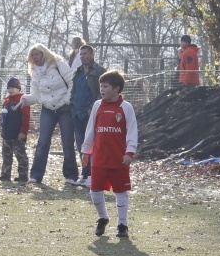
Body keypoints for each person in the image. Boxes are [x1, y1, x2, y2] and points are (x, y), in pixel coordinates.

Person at [81, 69, 138, 238]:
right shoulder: (98, 105)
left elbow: (132, 131)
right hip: (99, 157)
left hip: (119, 159)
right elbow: (91, 130)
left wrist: (130, 152)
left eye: (105, 86)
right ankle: (103, 218)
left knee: (121, 192)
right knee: (95, 190)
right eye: (101, 85)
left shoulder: (126, 108)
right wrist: (86, 150)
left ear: (116, 88)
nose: (102, 89)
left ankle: (122, 224)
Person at [20, 44, 78, 185]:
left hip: (64, 107)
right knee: (43, 141)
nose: (36, 57)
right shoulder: (34, 73)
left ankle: (71, 175)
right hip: (47, 109)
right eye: (33, 55)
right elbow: (35, 95)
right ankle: (36, 175)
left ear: (44, 54)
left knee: (67, 141)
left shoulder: (58, 65)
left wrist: (67, 100)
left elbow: (72, 82)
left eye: (38, 54)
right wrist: (25, 99)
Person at [70, 44, 104, 186]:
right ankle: (84, 175)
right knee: (81, 146)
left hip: (91, 114)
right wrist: (72, 106)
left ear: (92, 54)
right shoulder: (77, 72)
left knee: (92, 146)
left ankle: (93, 175)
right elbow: (74, 90)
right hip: (77, 113)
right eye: (81, 54)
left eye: (85, 53)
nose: (83, 56)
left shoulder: (100, 71)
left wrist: (93, 108)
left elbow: (102, 92)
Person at [0, 77, 30, 182]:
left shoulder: (23, 100)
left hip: (17, 135)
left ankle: (23, 175)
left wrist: (23, 132)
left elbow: (26, 117)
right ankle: (5, 175)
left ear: (18, 88)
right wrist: (0, 117)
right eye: (9, 87)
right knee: (6, 156)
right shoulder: (6, 100)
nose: (11, 90)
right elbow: (4, 115)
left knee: (21, 156)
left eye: (13, 87)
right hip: (6, 133)